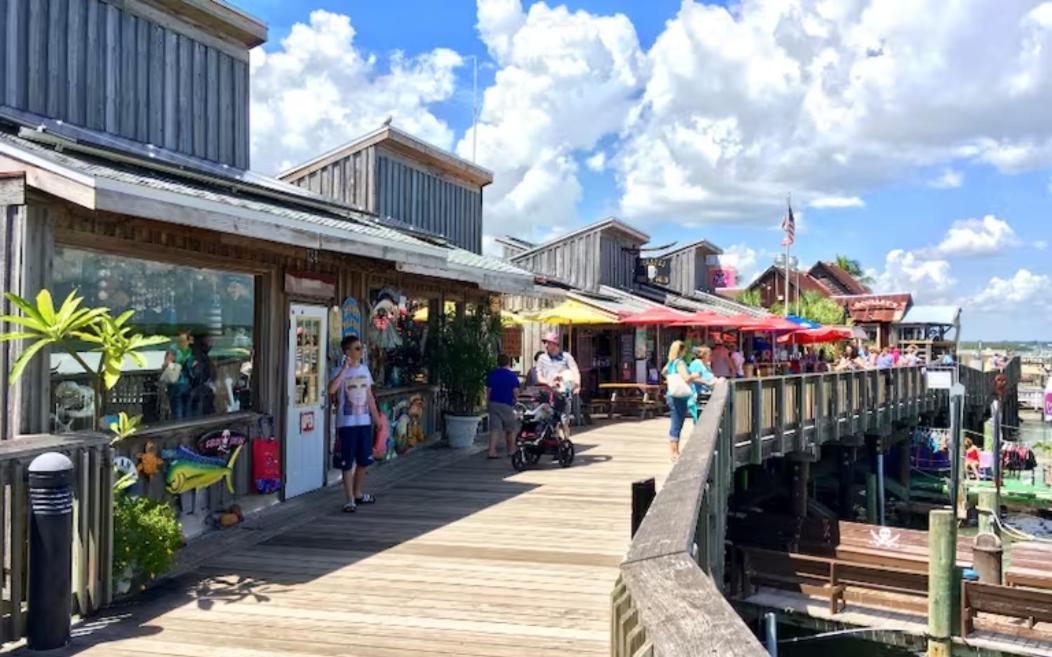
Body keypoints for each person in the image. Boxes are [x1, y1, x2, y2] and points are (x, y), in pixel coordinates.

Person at [329, 334, 382, 513]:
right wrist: (344, 369)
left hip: (363, 421)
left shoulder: (365, 370)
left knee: (364, 460)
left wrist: (376, 418)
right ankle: (349, 499)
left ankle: (358, 493)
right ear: (348, 352)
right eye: (357, 348)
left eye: (361, 348)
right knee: (347, 462)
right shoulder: (338, 371)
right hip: (346, 423)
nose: (361, 351)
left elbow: (369, 397)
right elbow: (331, 390)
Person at [535, 332, 580, 436]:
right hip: (548, 393)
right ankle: (553, 439)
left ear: (555, 344)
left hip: (563, 392)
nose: (546, 345)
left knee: (564, 419)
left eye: (549, 343)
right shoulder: (542, 358)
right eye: (545, 342)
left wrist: (577, 384)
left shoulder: (566, 357)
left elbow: (574, 370)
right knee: (548, 418)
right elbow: (539, 376)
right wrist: (548, 383)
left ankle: (565, 440)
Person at [486, 354, 520, 459]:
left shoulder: (492, 375)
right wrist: (517, 400)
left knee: (495, 429)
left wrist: (488, 402)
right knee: (510, 428)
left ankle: (491, 451)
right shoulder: (512, 376)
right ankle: (511, 450)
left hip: (493, 403)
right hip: (506, 404)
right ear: (508, 363)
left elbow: (488, 391)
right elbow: (516, 392)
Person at [664, 341, 693, 462]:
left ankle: (675, 451)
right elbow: (686, 378)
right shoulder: (680, 362)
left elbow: (664, 372)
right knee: (677, 423)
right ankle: (674, 452)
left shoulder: (671, 363)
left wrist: (670, 380)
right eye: (684, 350)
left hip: (671, 394)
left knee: (676, 422)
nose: (685, 352)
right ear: (680, 350)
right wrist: (695, 375)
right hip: (679, 396)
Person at [162, 331, 193, 419]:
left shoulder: (190, 349)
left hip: (185, 385)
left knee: (183, 414)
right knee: (182, 414)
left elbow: (166, 364)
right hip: (180, 385)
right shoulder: (175, 348)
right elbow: (167, 364)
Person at [687, 346, 719, 422]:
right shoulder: (696, 363)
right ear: (703, 355)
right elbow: (693, 378)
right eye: (709, 354)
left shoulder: (706, 365)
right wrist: (708, 383)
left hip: (706, 395)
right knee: (700, 419)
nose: (711, 356)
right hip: (697, 396)